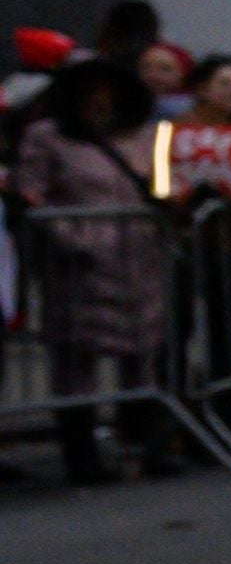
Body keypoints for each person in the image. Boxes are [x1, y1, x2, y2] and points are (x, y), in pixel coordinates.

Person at [16, 59, 179, 479]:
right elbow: (31, 195)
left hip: (140, 259)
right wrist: (73, 239)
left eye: (109, 91)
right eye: (91, 92)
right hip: (79, 266)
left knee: (142, 353)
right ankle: (81, 452)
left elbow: (165, 184)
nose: (101, 100)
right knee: (76, 360)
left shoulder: (142, 135)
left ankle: (146, 446)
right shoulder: (47, 138)